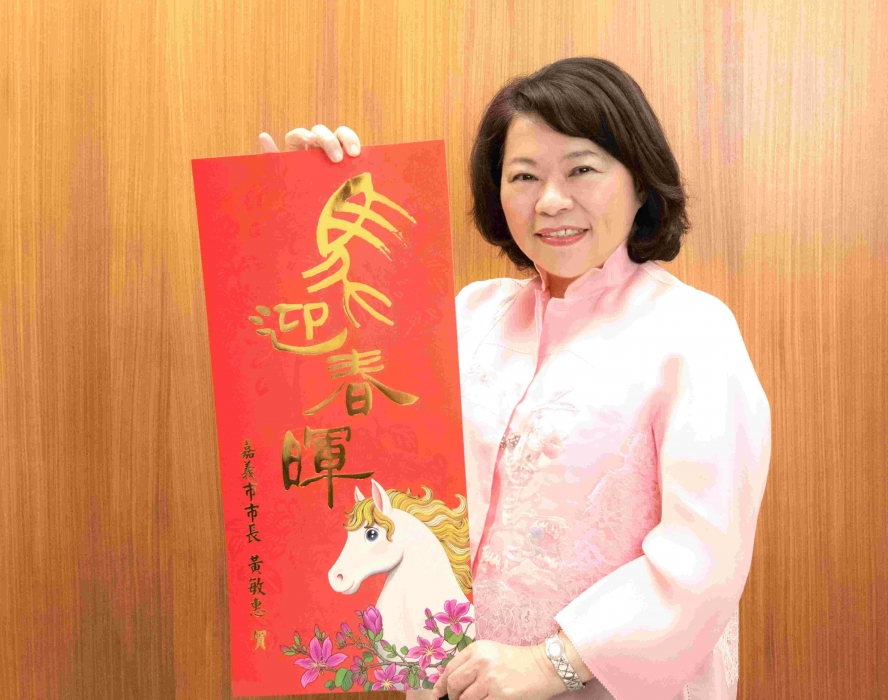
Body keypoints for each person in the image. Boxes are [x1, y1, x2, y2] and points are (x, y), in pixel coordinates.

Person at [261, 57, 771, 700]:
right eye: (524, 176)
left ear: (640, 183)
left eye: (582, 169)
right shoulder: (468, 316)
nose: (551, 201)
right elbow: (339, 415)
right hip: (451, 684)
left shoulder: (691, 332)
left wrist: (551, 664)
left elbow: (703, 561)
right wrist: (300, 212)